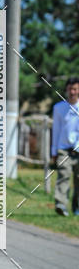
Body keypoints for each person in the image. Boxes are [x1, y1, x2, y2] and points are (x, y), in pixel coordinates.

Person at [51, 77, 79, 217]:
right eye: (70, 89)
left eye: (75, 89)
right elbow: (56, 130)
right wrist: (54, 151)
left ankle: (76, 207)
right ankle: (60, 204)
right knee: (64, 175)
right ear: (66, 90)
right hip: (64, 150)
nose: (72, 92)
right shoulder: (59, 108)